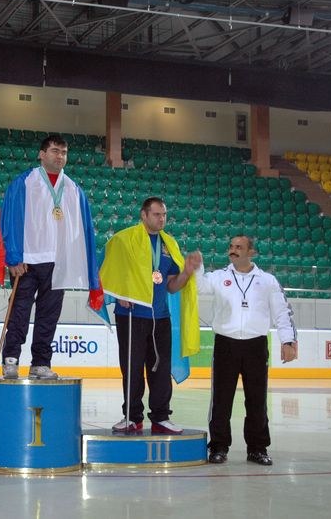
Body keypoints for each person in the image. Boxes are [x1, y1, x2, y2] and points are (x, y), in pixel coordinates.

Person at [0, 134, 103, 379]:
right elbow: (9, 219)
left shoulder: (74, 189)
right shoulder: (24, 182)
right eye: (54, 151)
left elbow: (84, 230)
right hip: (28, 261)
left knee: (49, 315)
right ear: (41, 154)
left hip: (59, 262)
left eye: (63, 152)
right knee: (20, 311)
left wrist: (83, 263)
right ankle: (11, 359)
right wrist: (13, 256)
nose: (59, 156)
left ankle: (40, 363)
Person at [99, 196, 201, 435]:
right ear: (143, 215)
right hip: (132, 315)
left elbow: (172, 286)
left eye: (164, 214)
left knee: (160, 370)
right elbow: (106, 271)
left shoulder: (169, 245)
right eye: (156, 214)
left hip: (160, 317)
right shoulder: (123, 240)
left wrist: (186, 272)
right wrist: (118, 294)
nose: (161, 219)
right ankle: (131, 417)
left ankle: (161, 417)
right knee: (132, 368)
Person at [194, 235, 298, 465]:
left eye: (239, 247)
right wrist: (196, 268)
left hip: (255, 345)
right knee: (221, 399)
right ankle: (219, 447)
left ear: (251, 252)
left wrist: (288, 340)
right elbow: (199, 287)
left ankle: (257, 448)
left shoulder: (268, 280)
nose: (233, 250)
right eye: (231, 246)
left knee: (257, 400)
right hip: (226, 344)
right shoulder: (219, 276)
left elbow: (282, 311)